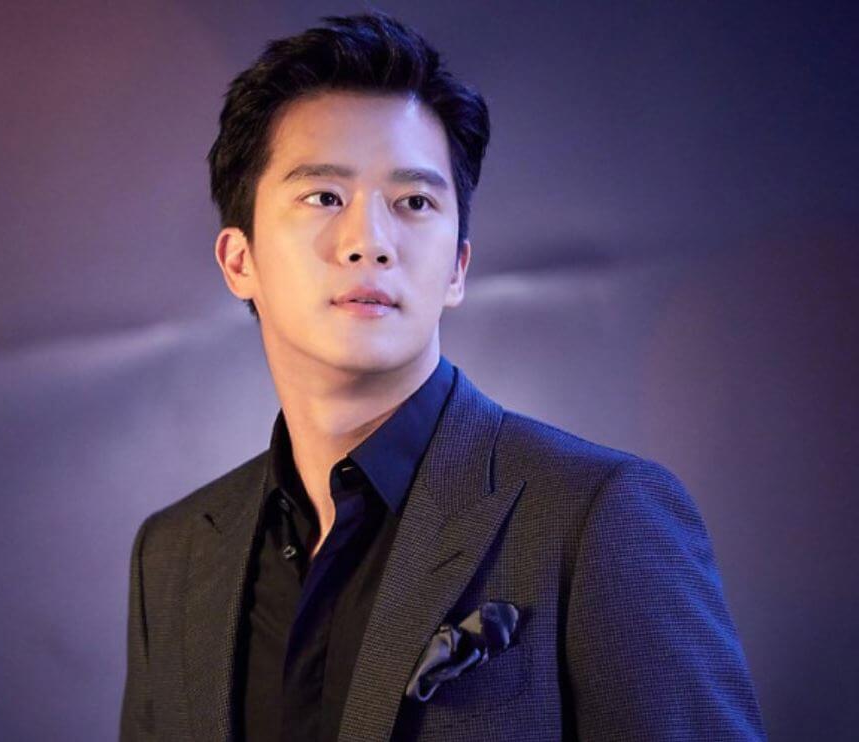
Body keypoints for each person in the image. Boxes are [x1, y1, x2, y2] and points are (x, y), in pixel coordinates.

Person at [119, 10, 766, 741]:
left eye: (414, 203)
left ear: (458, 267)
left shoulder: (600, 516)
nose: (370, 242)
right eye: (324, 197)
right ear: (240, 261)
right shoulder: (173, 554)